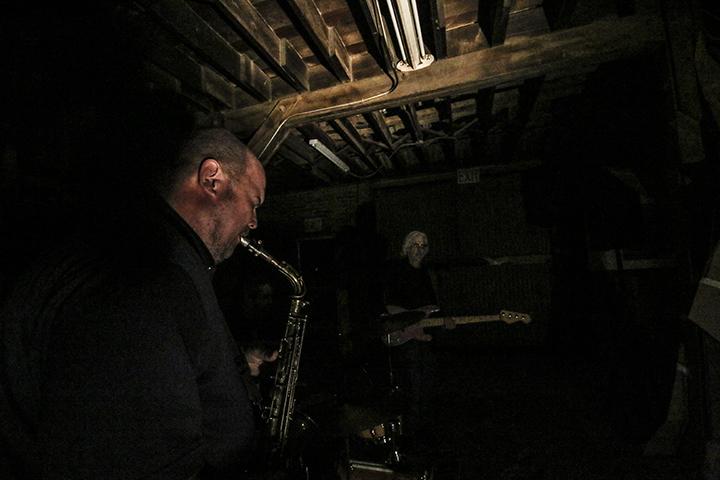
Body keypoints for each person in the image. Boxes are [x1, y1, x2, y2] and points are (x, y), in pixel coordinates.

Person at [0, 122, 267, 479]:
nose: (253, 223)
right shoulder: (143, 270)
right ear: (212, 180)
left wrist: (237, 366)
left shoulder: (159, 254)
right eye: (254, 202)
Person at [381, 230, 454, 460]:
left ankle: (424, 434)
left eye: (423, 246)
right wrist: (411, 322)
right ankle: (410, 439)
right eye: (415, 245)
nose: (419, 249)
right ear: (406, 247)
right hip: (407, 338)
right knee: (413, 389)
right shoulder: (397, 270)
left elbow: (433, 306)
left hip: (426, 338)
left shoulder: (427, 274)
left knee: (428, 387)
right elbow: (389, 306)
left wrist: (446, 319)